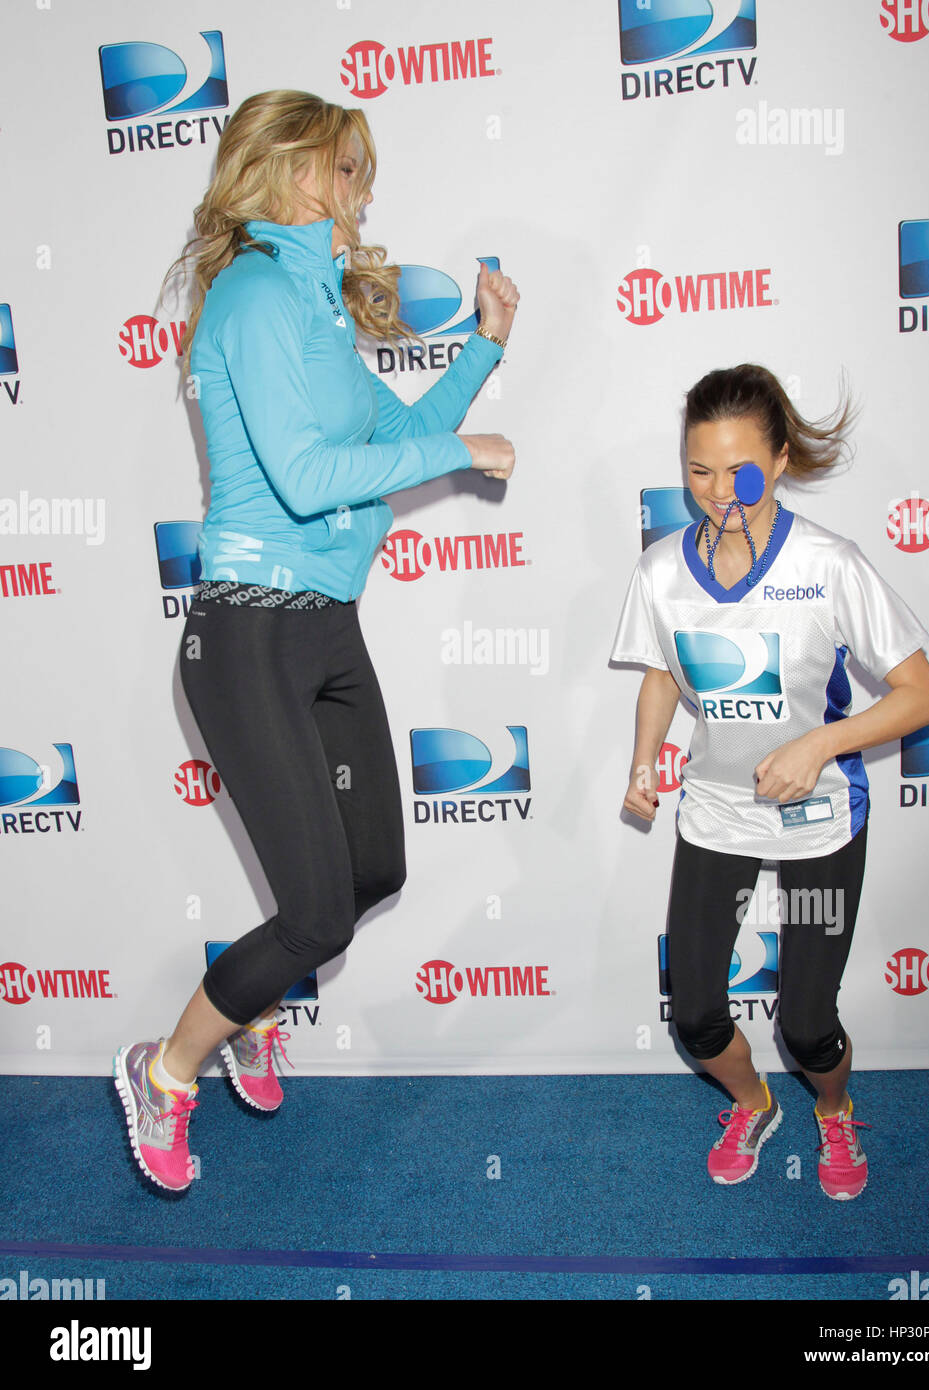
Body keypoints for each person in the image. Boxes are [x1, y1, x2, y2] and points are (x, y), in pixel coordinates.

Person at [114, 91, 518, 1192]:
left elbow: (392, 436)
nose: (364, 191)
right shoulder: (249, 295)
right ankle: (167, 1066)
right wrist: (466, 447)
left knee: (371, 865)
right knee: (312, 914)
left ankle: (246, 1015)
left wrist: (481, 351)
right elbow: (302, 477)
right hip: (246, 636)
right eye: (349, 169)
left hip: (325, 630)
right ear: (297, 175)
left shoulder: (315, 305)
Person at [611, 364, 929, 1200]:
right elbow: (659, 671)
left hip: (818, 821)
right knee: (694, 1014)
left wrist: (818, 745)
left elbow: (924, 696)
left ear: (782, 460)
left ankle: (832, 1112)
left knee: (804, 1023)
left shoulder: (830, 565)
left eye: (739, 470)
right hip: (717, 815)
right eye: (697, 470)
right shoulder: (659, 570)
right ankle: (754, 1103)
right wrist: (645, 756)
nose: (718, 491)